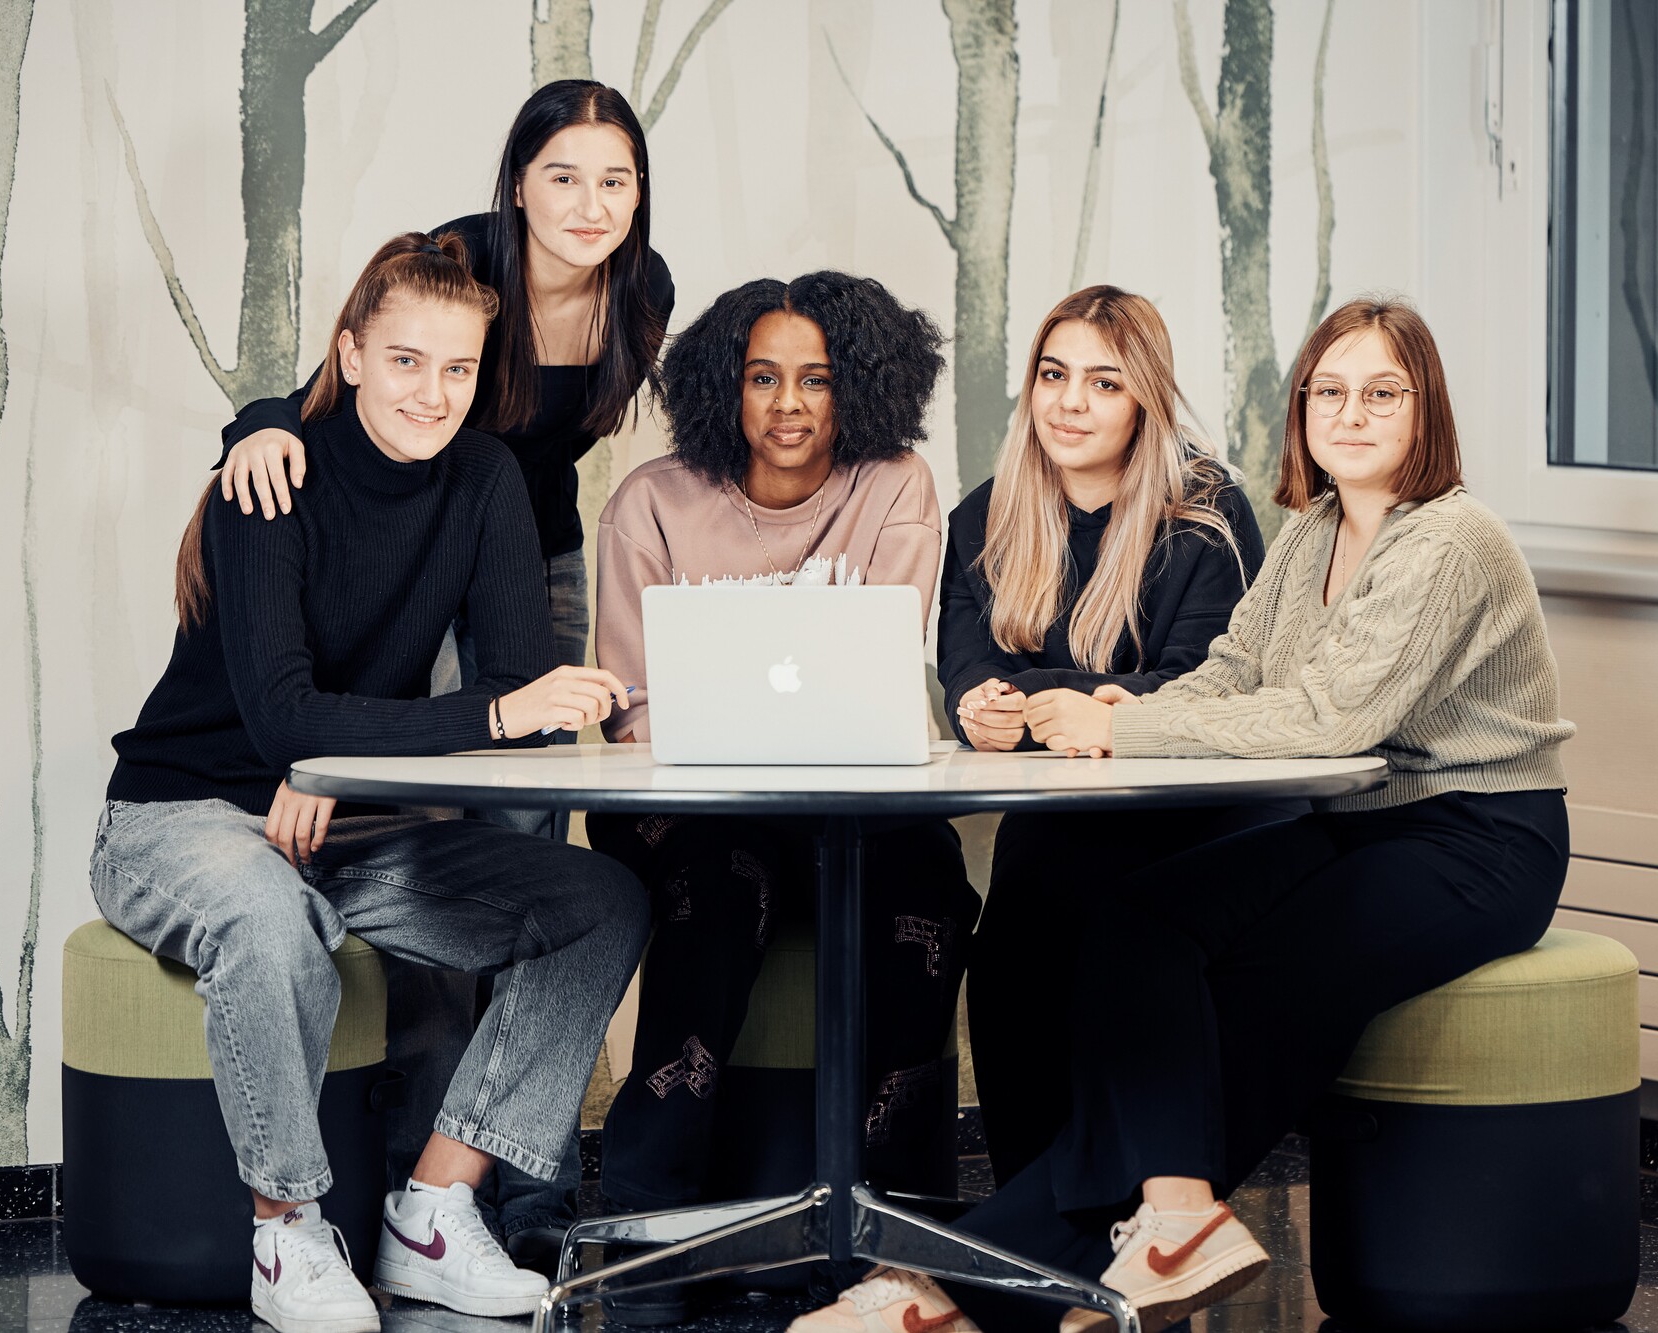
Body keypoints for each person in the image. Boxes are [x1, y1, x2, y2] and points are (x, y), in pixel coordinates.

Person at [789, 294, 1575, 1333]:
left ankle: (971, 1289)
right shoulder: (1315, 531)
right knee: (1142, 922)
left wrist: (1122, 726)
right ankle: (1173, 1217)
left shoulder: (1449, 540)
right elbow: (1234, 671)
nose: (1349, 415)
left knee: (1256, 998)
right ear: (1301, 409)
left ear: (1424, 408)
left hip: (1475, 833)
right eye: (1328, 393)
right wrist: (1128, 711)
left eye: (1381, 394)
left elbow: (1329, 717)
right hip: (1354, 819)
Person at [90, 233, 648, 1333]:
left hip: (344, 821)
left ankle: (434, 1208)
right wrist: (332, 749)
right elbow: (286, 717)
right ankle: (286, 1228)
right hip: (183, 812)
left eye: (457, 368)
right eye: (404, 361)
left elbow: (513, 685)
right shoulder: (273, 473)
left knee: (601, 903)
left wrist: (336, 766)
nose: (431, 393)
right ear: (349, 356)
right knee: (267, 915)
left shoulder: (483, 479)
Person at [209, 79, 674, 1256]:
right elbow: (348, 377)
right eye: (562, 175)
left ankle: (519, 1185)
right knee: (421, 825)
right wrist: (253, 423)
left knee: (529, 844)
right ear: (516, 184)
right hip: (414, 538)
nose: (589, 203)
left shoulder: (643, 289)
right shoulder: (461, 261)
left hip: (530, 551)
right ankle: (411, 1155)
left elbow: (540, 462)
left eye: (614, 179)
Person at [586, 272, 981, 1323]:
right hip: (692, 813)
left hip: (848, 808)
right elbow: (631, 714)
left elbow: (882, 675)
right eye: (763, 377)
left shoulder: (892, 485)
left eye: (817, 378)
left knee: (925, 887)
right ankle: (647, 1231)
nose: (790, 405)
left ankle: (887, 1236)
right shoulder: (651, 502)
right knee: (721, 888)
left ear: (860, 387)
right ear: (726, 386)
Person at [936, 286, 1299, 1186]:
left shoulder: (1206, 511)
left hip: (1190, 814)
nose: (1070, 402)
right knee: (1009, 948)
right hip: (1061, 814)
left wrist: (1039, 697)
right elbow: (968, 669)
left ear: (1145, 399)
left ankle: (1128, 1198)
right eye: (1053, 375)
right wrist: (981, 709)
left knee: (1093, 930)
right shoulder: (983, 516)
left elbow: (1203, 686)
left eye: (1104, 383)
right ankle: (1033, 1209)